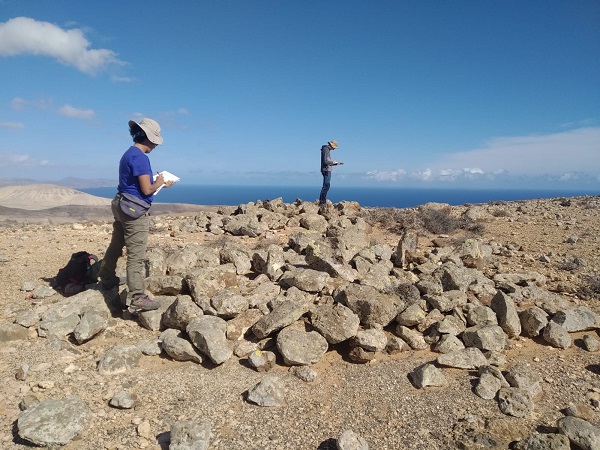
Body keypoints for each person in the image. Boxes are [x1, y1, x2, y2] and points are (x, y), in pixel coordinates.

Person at [98, 118, 174, 312]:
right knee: (136, 256)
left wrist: (157, 183)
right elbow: (147, 190)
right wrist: (161, 182)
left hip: (121, 204)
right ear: (149, 138)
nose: (156, 145)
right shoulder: (140, 157)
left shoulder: (128, 154)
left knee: (116, 244)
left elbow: (134, 185)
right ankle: (137, 297)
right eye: (155, 141)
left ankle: (106, 278)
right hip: (134, 211)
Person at [319, 140, 343, 206]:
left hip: (326, 169)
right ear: (332, 146)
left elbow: (327, 162)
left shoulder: (326, 150)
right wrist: (333, 162)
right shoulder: (326, 149)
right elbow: (325, 161)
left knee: (326, 185)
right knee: (326, 185)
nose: (334, 149)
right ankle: (322, 202)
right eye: (334, 147)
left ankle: (322, 201)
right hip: (326, 170)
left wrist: (336, 164)